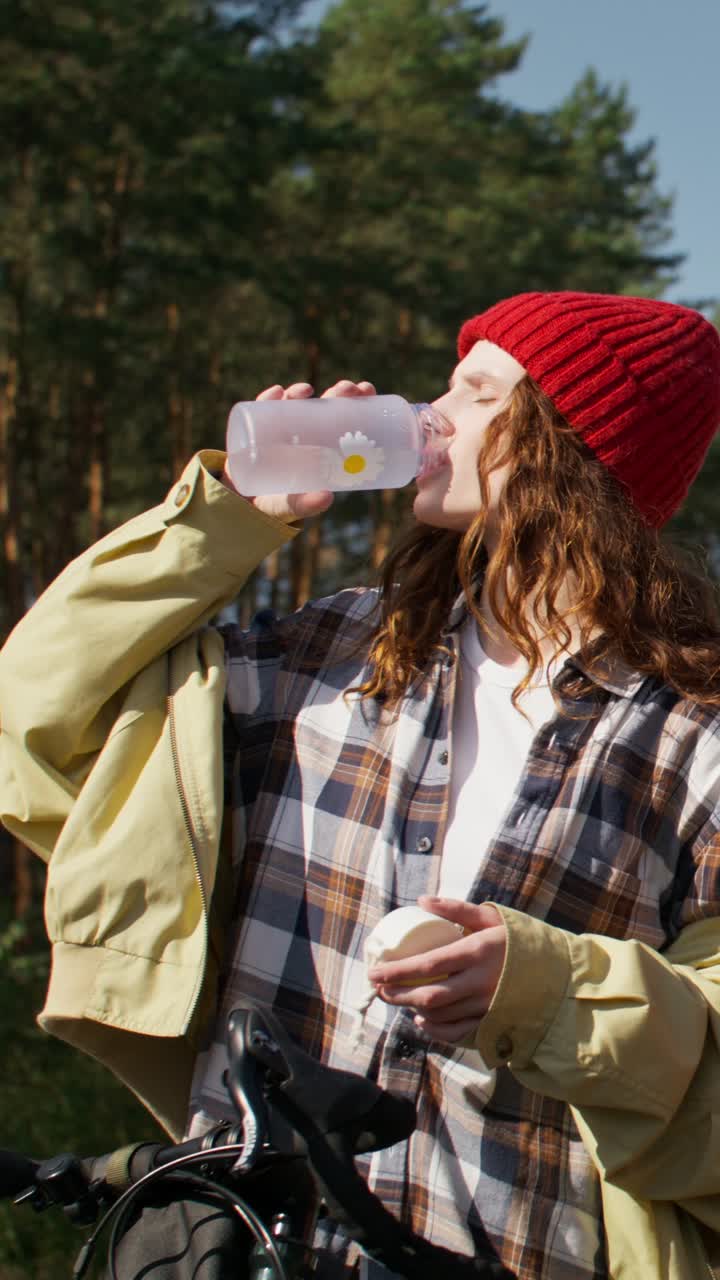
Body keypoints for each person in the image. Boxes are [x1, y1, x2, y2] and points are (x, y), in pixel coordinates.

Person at [2, 290, 720, 1280]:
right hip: (236, 1246)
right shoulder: (325, 656)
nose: (431, 412)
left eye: (472, 390)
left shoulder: (693, 735)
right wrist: (225, 524)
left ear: (569, 443)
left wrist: (544, 989)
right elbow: (36, 704)